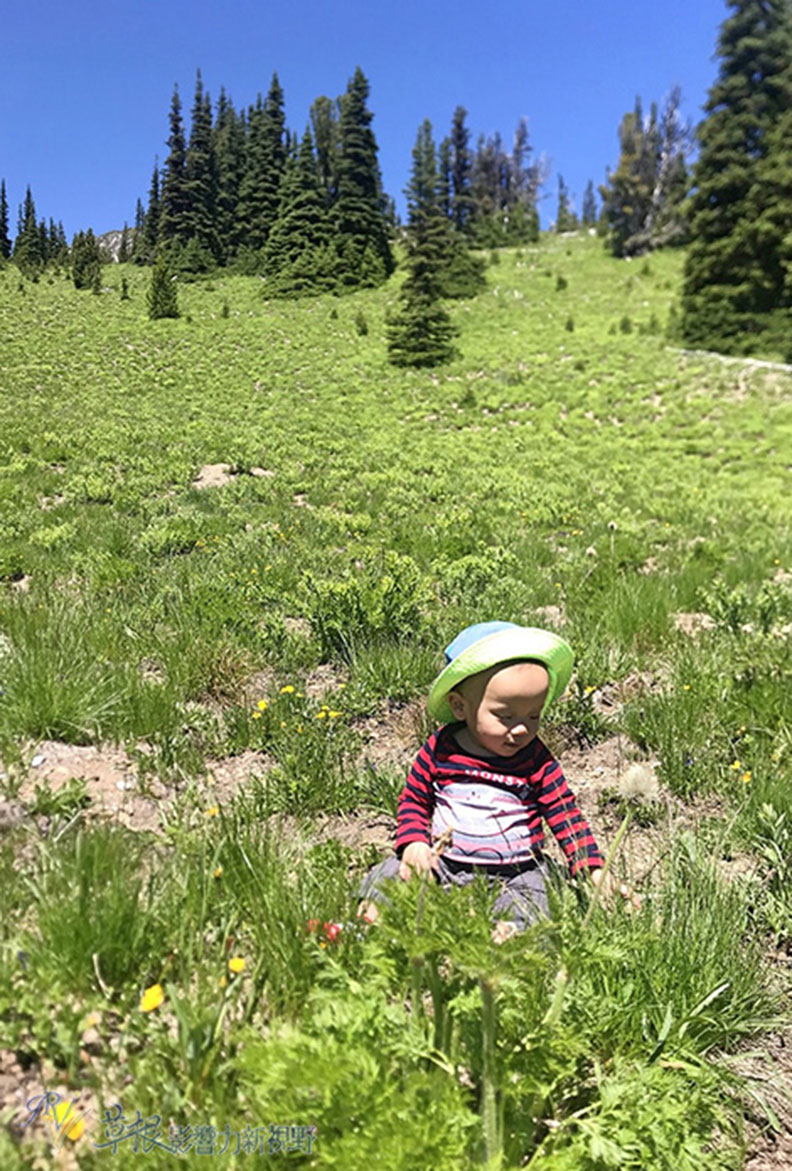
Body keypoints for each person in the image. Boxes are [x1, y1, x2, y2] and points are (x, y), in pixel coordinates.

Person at [357, 621, 629, 941]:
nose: (522, 729)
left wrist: (592, 868)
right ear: (460, 706)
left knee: (539, 892)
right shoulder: (441, 749)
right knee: (390, 872)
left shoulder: (536, 759)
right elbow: (415, 800)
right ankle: (372, 924)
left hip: (516, 873)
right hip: (444, 865)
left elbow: (564, 814)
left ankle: (506, 938)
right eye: (506, 716)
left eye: (533, 716)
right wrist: (415, 843)